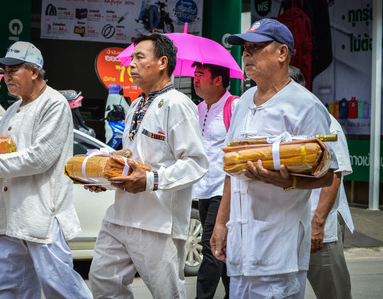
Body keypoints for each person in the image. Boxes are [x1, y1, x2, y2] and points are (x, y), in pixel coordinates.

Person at [0, 41, 92, 299]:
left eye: (13, 70)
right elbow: (4, 161)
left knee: (60, 286)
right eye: (4, 71)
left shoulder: (54, 104)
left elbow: (40, 157)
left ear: (34, 71)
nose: (6, 77)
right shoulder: (13, 110)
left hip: (42, 214)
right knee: (3, 287)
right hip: (9, 215)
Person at [210, 18, 336, 299]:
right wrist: (221, 224)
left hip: (279, 248)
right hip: (241, 247)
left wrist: (289, 182)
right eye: (245, 49)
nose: (246, 55)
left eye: (256, 48)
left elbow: (327, 175)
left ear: (282, 53)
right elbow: (232, 167)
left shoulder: (305, 106)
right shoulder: (243, 101)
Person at [87, 33, 208, 298]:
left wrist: (151, 180)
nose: (131, 64)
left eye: (139, 57)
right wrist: (103, 174)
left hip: (158, 221)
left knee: (167, 293)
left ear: (162, 62)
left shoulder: (178, 104)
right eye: (131, 58)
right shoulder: (136, 104)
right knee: (102, 281)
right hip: (120, 215)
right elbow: (133, 155)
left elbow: (196, 163)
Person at [289, 65, 354, 299]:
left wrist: (317, 223)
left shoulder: (327, 124)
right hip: (290, 225)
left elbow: (335, 175)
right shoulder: (285, 123)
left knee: (332, 292)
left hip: (319, 225)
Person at [192, 62, 235, 299]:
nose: (195, 79)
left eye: (200, 75)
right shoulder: (197, 109)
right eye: (194, 75)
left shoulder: (234, 106)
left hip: (224, 189)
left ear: (217, 80)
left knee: (211, 247)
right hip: (203, 189)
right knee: (223, 251)